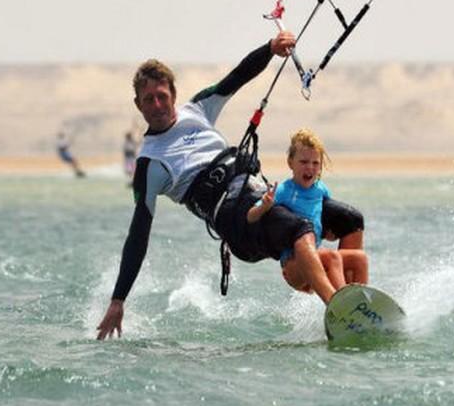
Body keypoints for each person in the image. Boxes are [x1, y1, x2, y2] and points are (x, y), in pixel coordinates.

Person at [96, 31, 365, 340]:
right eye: (148, 99)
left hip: (258, 193)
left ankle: (355, 301)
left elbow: (236, 77)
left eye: (162, 96)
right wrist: (118, 300)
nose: (157, 105)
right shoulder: (149, 164)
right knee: (300, 229)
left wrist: (269, 49)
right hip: (234, 219)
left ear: (173, 93)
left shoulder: (197, 109)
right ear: (138, 105)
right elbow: (138, 235)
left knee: (350, 221)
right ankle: (339, 310)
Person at [247, 128, 368, 302]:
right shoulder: (283, 190)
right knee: (332, 256)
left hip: (316, 257)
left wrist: (329, 234)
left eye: (315, 163)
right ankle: (343, 304)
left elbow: (323, 215)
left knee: (360, 259)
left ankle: (361, 304)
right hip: (293, 264)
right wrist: (264, 206)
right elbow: (250, 216)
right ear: (290, 163)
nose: (310, 167)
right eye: (303, 162)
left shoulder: (321, 189)